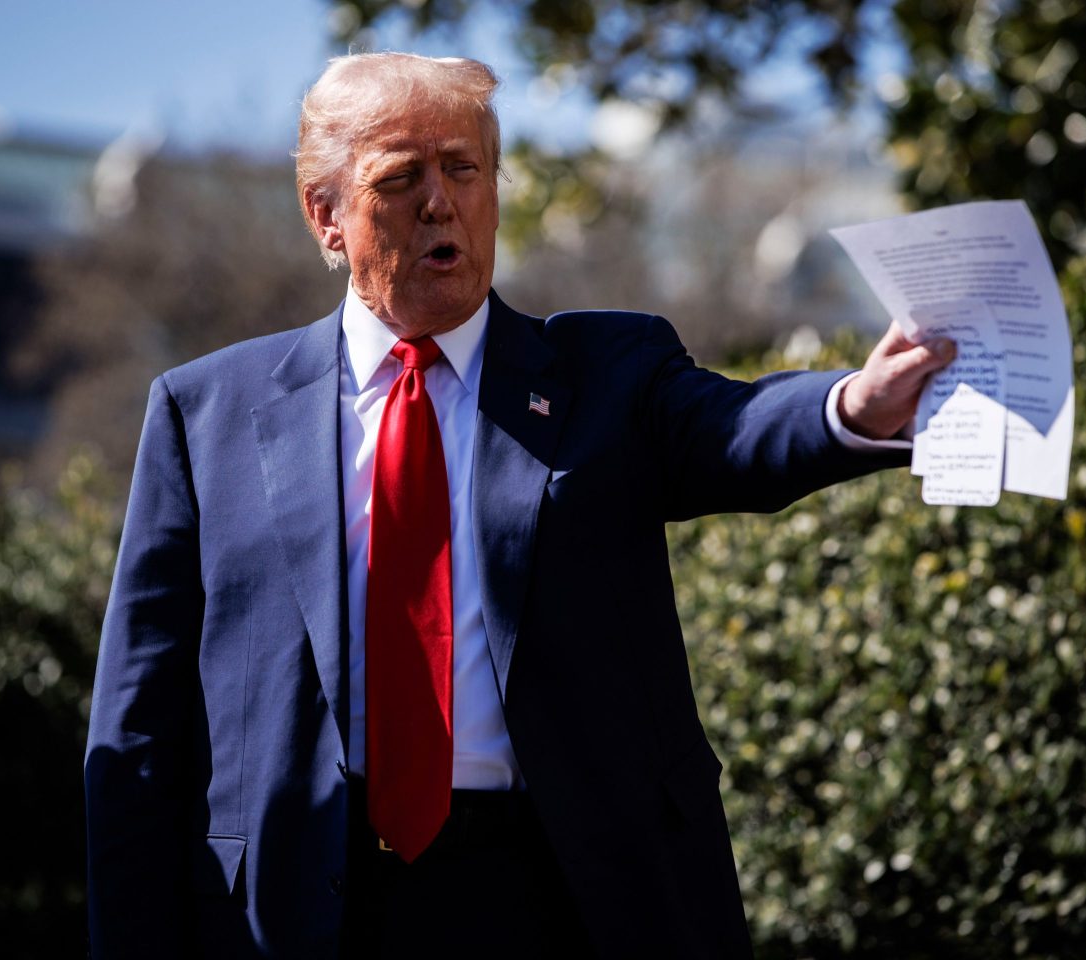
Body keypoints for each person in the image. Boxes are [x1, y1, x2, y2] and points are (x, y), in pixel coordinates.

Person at [83, 52, 954, 959]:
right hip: (295, 909)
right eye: (400, 177)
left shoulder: (607, 376)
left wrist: (853, 405)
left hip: (563, 897)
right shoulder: (206, 412)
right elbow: (137, 736)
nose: (440, 202)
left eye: (463, 169)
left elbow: (734, 428)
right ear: (326, 215)